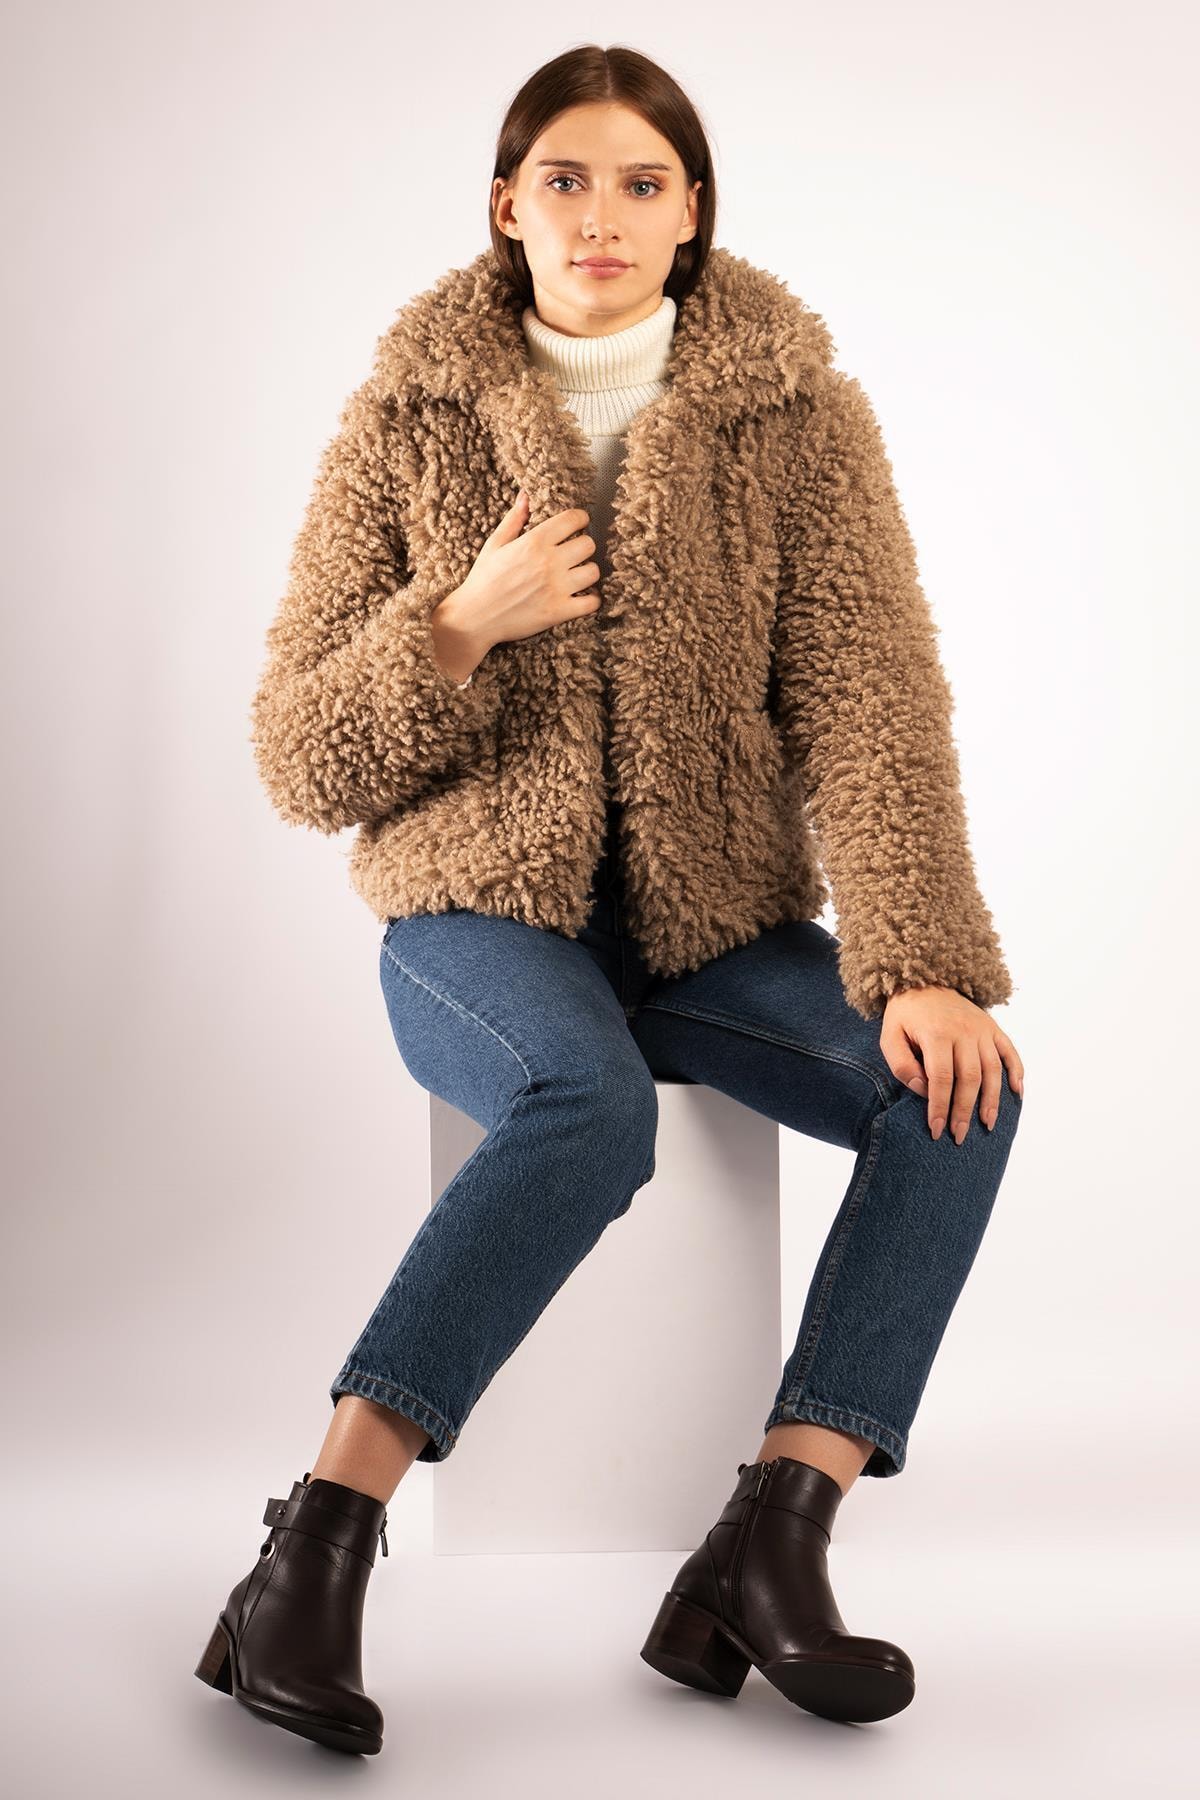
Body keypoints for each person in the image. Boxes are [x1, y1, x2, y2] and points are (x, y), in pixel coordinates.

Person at [195, 43, 1026, 1758]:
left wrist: (921, 959)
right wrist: (455, 627)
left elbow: (870, 695)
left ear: (692, 211)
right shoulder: (408, 417)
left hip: (709, 933)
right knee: (586, 1106)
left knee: (958, 1093)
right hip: (475, 919)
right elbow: (294, 754)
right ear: (507, 207)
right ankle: (311, 1551)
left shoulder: (797, 417)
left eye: (642, 183)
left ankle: (767, 1544)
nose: (603, 216)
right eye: (565, 181)